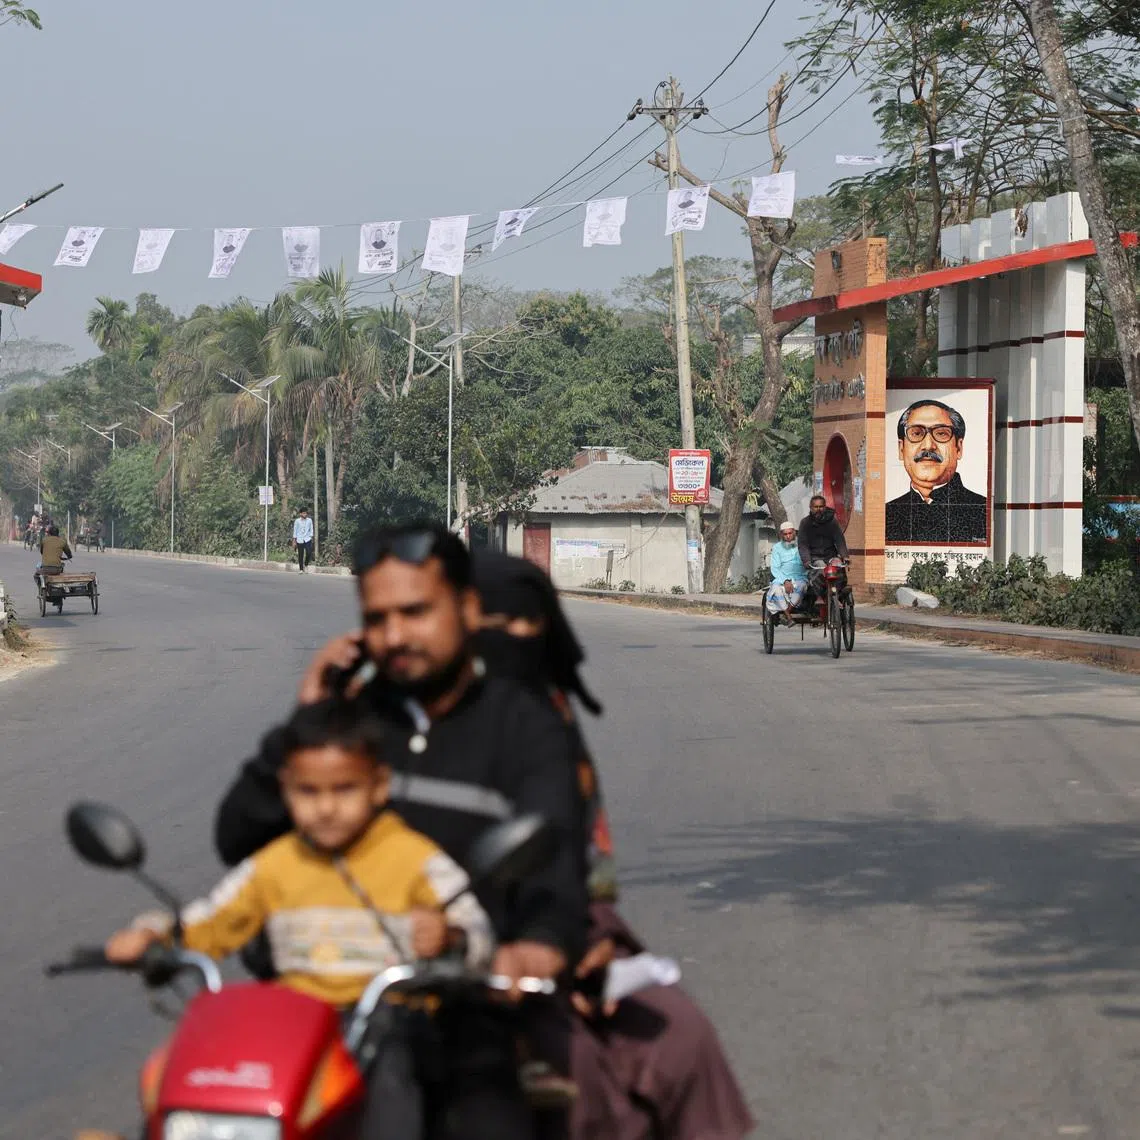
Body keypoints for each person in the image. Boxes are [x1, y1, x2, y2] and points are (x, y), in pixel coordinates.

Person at [214, 523, 588, 1140]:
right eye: (378, 617)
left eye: (415, 612)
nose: (394, 636)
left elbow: (555, 862)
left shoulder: (523, 727)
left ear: (466, 609)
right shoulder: (347, 720)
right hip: (309, 1009)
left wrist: (537, 942)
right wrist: (304, 719)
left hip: (457, 1021)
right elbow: (238, 837)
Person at [108, 697, 494, 1140]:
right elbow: (211, 920)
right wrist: (151, 934)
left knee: (395, 1086)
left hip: (387, 1028)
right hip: (293, 1032)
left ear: (378, 786)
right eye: (308, 792)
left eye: (344, 789)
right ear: (286, 788)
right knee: (179, 1084)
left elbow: (477, 930)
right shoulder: (274, 863)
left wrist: (450, 938)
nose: (326, 808)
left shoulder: (416, 859)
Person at [472, 550, 755, 1140]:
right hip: (458, 953)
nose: (515, 637)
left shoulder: (551, 714)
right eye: (494, 622)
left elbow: (585, 864)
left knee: (682, 1036)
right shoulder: (413, 723)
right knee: (578, 1080)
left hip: (563, 939)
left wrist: (592, 945)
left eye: (529, 620)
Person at [885, 399, 987, 543]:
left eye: (941, 434)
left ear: (958, 448)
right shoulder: (887, 515)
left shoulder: (982, 511)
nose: (928, 446)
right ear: (901, 449)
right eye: (916, 433)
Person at [764, 521, 807, 623]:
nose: (788, 536)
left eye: (790, 533)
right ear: (781, 535)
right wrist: (785, 581)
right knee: (776, 589)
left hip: (799, 578)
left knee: (802, 586)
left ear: (794, 533)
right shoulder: (777, 548)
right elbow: (775, 568)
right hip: (781, 579)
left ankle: (787, 613)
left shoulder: (802, 545)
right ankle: (788, 616)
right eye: (785, 534)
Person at [293, 506, 315, 572]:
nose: (305, 514)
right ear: (300, 514)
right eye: (303, 513)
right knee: (300, 554)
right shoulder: (297, 521)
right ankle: (301, 569)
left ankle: (306, 564)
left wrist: (311, 537)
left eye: (305, 513)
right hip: (300, 539)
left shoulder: (309, 520)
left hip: (307, 539)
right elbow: (295, 530)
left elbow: (311, 529)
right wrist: (294, 540)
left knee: (308, 553)